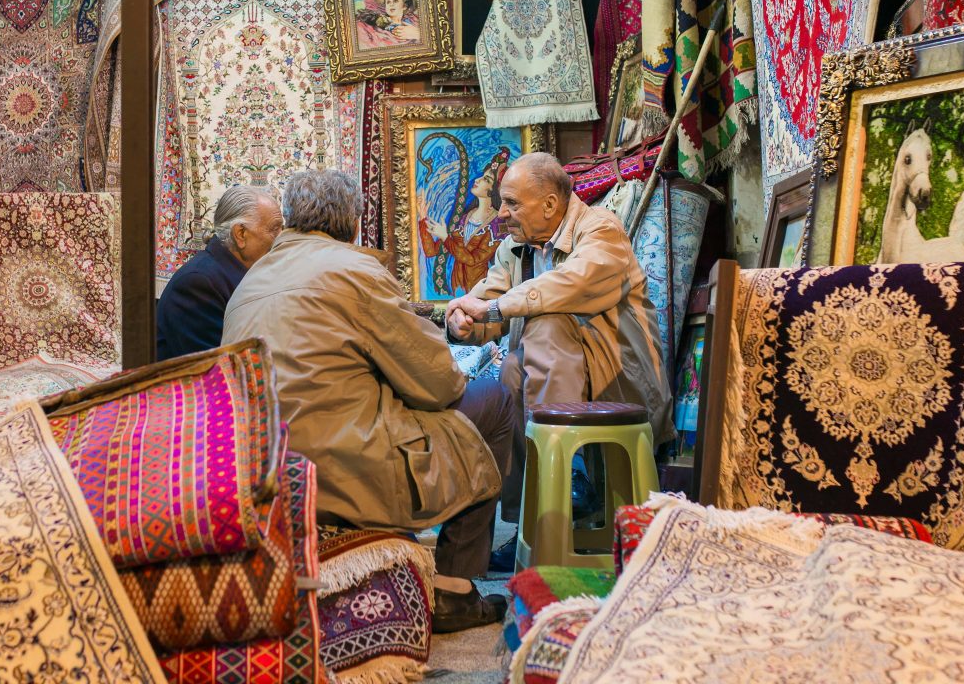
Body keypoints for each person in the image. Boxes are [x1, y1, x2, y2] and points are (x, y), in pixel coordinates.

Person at [223, 170, 513, 632]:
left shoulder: (250, 282)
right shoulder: (355, 271)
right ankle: (454, 587)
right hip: (342, 463)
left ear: (293, 219)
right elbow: (438, 384)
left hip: (263, 467)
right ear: (354, 221)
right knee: (495, 396)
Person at [445, 152, 665, 570]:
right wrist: (463, 321)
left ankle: (569, 477)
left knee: (545, 321)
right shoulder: (514, 249)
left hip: (618, 379)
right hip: (552, 377)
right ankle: (538, 517)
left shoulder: (601, 230)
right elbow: (490, 301)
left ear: (549, 204)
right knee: (508, 372)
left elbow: (571, 284)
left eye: (512, 203)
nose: (502, 214)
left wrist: (491, 311)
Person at [155, 186, 282, 361]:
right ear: (240, 234)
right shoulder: (197, 284)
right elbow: (218, 367)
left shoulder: (244, 271)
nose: (281, 238)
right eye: (274, 229)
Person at [419, 148, 511, 297]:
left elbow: (472, 259)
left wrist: (446, 238)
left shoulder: (497, 225)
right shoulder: (465, 218)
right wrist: (423, 218)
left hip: (479, 295)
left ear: (494, 190)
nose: (477, 180)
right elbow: (431, 252)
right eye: (482, 176)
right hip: (456, 291)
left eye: (486, 179)